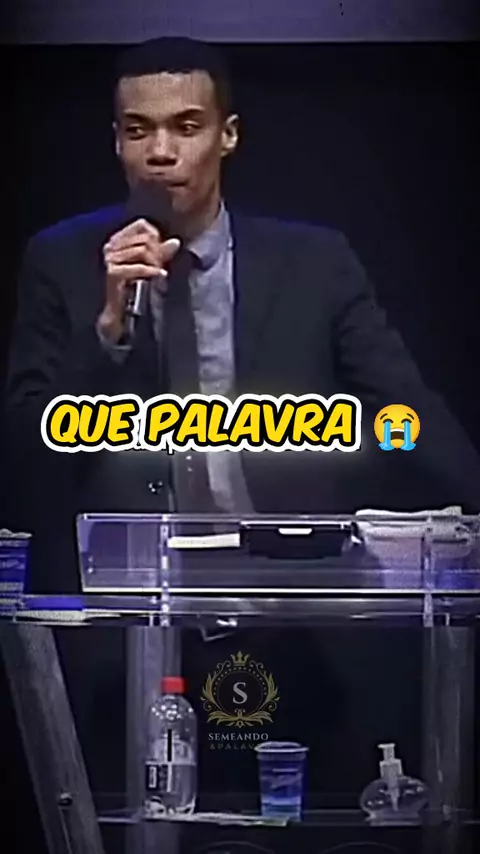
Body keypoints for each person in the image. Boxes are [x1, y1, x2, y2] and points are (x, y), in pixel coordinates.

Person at [4, 35, 480, 592]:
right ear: (117, 142)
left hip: (286, 596)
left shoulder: (315, 264)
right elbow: (25, 459)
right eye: (138, 131)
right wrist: (106, 334)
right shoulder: (60, 261)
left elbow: (404, 410)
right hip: (130, 600)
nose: (161, 152)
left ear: (226, 134)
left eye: (186, 127)